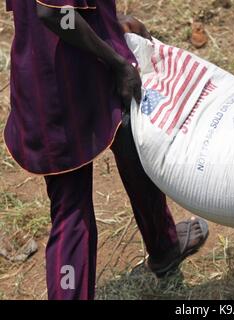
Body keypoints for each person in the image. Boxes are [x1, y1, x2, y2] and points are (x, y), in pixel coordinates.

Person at [3, 0, 209, 300]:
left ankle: (164, 246)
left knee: (131, 150)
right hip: (72, 82)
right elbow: (54, 14)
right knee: (73, 208)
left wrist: (109, 23)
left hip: (50, 73)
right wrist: (115, 61)